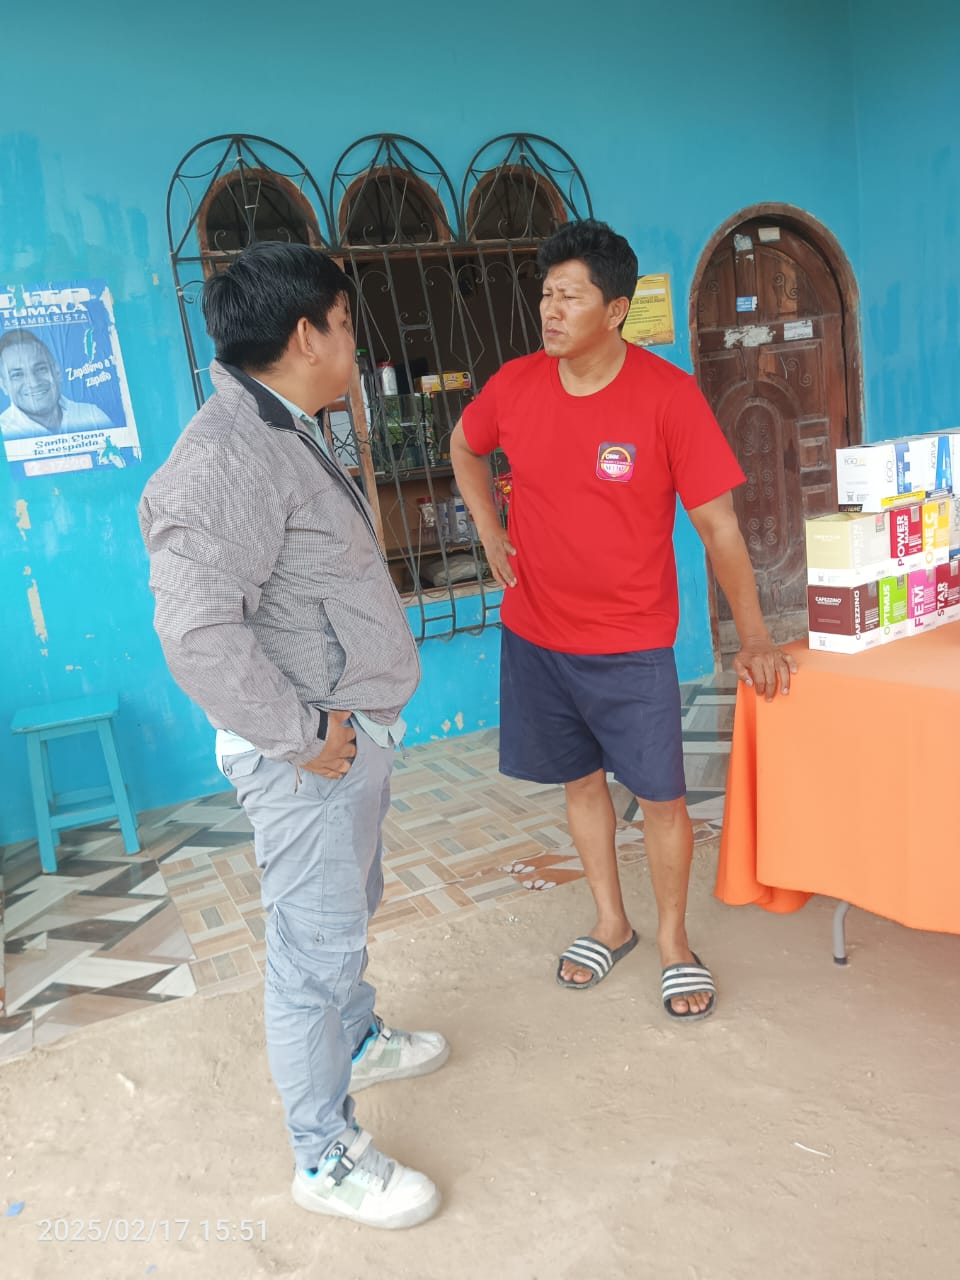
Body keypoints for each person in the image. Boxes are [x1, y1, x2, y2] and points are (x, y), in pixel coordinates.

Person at [138, 242, 447, 1230]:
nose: (355, 342)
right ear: (307, 333)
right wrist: (303, 733)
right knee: (312, 954)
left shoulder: (279, 425)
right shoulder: (224, 456)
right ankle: (324, 1155)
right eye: (347, 324)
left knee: (346, 912)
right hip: (309, 755)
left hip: (344, 739)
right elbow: (196, 633)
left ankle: (355, 1040)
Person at [451, 219, 797, 1020]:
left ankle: (675, 941)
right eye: (546, 294)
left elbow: (718, 526)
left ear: (615, 310)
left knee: (662, 796)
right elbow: (465, 447)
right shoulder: (515, 385)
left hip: (630, 643)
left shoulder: (667, 397)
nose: (551, 310)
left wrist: (753, 636)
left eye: (569, 296)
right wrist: (491, 532)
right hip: (537, 634)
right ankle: (612, 923)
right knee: (579, 782)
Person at [0, 330, 114, 438]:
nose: (34, 383)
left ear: (57, 372)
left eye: (41, 369)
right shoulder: (4, 432)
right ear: (4, 385)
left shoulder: (93, 416)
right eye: (17, 375)